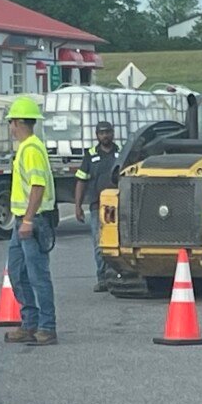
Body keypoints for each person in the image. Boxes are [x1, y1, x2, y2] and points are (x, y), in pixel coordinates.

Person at [3, 96, 58, 346]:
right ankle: (30, 323)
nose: (10, 128)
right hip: (23, 220)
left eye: (11, 123)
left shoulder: (31, 149)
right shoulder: (27, 147)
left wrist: (27, 220)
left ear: (16, 122)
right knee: (17, 271)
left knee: (37, 275)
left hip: (32, 220)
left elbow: (38, 186)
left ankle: (46, 326)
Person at [71, 121, 121, 291]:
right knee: (99, 244)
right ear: (97, 135)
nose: (105, 135)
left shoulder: (122, 153)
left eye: (108, 132)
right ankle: (103, 279)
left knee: (118, 243)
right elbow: (81, 181)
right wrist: (77, 206)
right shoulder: (90, 155)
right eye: (102, 132)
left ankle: (118, 276)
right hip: (96, 206)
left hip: (119, 207)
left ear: (113, 133)